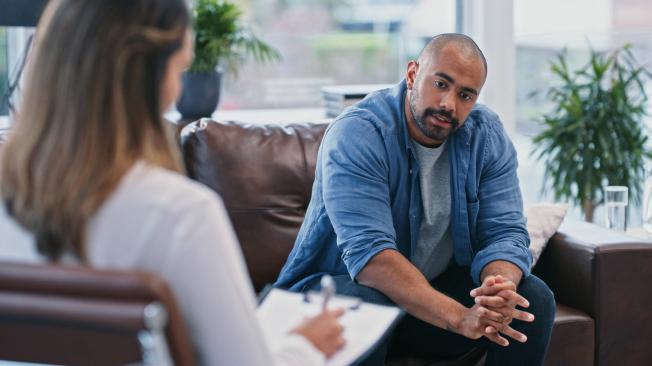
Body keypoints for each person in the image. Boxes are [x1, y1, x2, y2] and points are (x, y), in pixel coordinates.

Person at [0, 0, 345, 365]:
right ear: (150, 79)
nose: (177, 90)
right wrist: (302, 346)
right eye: (180, 72)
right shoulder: (181, 215)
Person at [275, 33, 556, 365]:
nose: (449, 104)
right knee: (362, 303)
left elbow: (505, 232)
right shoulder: (359, 134)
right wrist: (459, 317)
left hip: (424, 305)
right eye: (441, 83)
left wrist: (498, 291)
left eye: (465, 95)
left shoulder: (486, 136)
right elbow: (372, 259)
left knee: (531, 299)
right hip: (333, 299)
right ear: (412, 74)